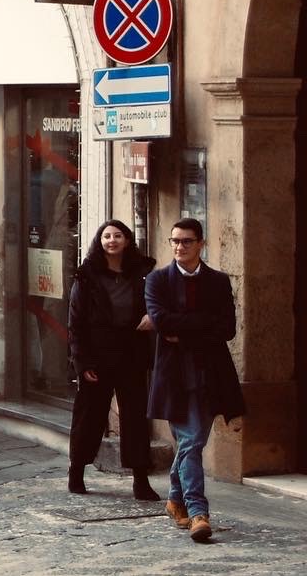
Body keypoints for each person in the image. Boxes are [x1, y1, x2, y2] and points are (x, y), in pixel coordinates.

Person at [146, 218, 245, 543]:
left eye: (186, 241)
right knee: (190, 441)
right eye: (174, 241)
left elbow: (227, 328)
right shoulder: (157, 280)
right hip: (174, 376)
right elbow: (161, 321)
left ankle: (176, 500)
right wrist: (200, 326)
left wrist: (182, 330)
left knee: (192, 443)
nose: (179, 247)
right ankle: (198, 511)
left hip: (210, 374)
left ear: (200, 243)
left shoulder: (217, 281)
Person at [66, 219, 157, 500]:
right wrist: (82, 363)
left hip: (131, 353)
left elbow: (158, 302)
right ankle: (77, 471)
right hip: (97, 356)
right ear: (99, 241)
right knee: (89, 416)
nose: (112, 240)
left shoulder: (142, 273)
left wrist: (152, 315)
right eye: (107, 236)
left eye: (118, 235)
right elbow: (76, 322)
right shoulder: (87, 276)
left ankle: (140, 479)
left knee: (135, 418)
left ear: (127, 241)